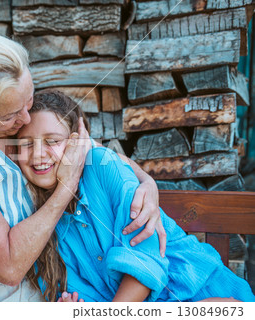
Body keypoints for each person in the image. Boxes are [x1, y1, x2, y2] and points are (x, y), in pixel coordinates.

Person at [0, 31, 165, 302]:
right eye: (10, 114)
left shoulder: (18, 120)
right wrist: (66, 186)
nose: (25, 118)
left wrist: (146, 183)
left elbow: (92, 151)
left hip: (43, 287)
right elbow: (8, 267)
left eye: (28, 100)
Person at [17, 90, 255, 302]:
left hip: (196, 290)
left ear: (77, 143)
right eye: (26, 144)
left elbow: (144, 262)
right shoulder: (40, 222)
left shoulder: (101, 167)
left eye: (52, 141)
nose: (38, 154)